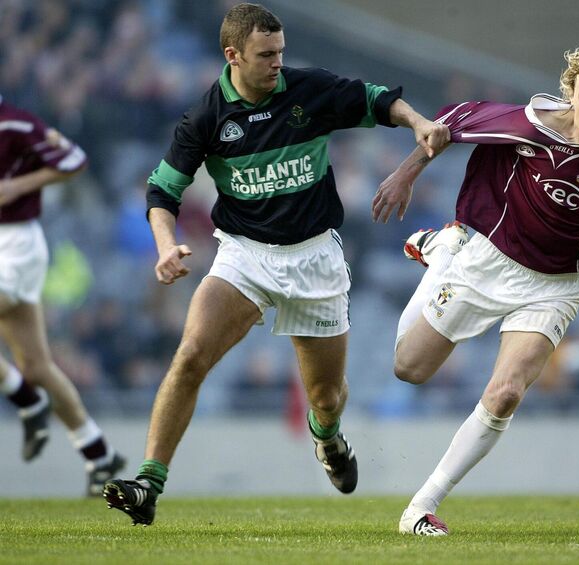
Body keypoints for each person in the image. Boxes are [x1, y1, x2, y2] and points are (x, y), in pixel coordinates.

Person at [103, 2, 449, 526]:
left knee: (326, 396)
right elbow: (161, 190)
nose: (277, 63)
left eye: (281, 52)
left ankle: (327, 437)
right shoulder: (204, 118)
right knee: (192, 354)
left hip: (314, 257)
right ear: (233, 55)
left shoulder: (307, 90)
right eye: (266, 55)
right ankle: (149, 484)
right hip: (244, 255)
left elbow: (376, 100)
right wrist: (165, 244)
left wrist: (419, 122)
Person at [372, 38, 579, 535]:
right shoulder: (528, 124)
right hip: (485, 263)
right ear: (571, 95)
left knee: (507, 393)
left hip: (555, 286)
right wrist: (405, 175)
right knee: (409, 368)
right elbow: (445, 127)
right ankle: (440, 253)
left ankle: (420, 508)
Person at [0, 94, 125, 496]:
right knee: (37, 366)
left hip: (15, 243)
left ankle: (23, 397)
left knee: (31, 374)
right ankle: (99, 453)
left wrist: (20, 183)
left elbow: (73, 159)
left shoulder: (17, 124)